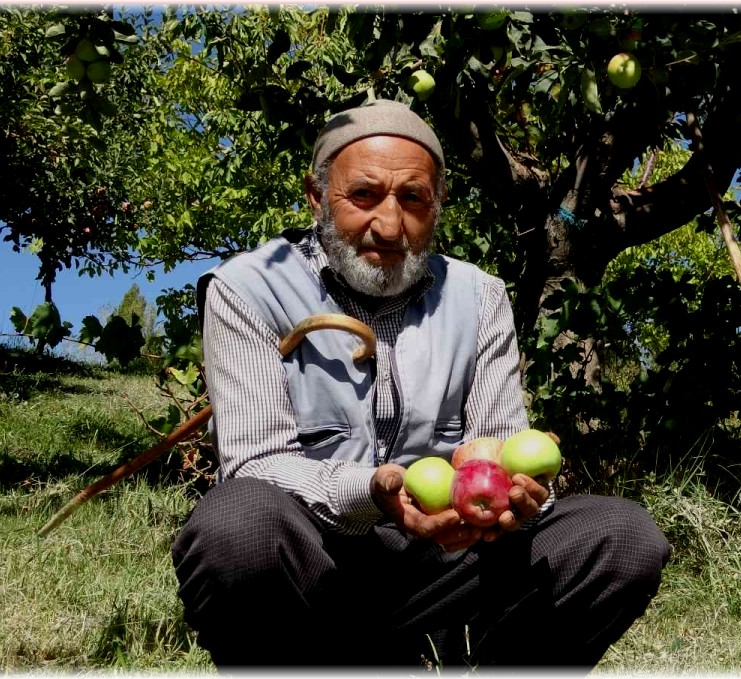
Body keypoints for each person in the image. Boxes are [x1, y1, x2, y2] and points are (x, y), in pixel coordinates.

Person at [171, 99, 671, 671]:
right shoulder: (249, 290)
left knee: (623, 539)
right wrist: (376, 493)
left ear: (437, 206)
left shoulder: (478, 298)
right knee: (236, 524)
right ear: (316, 198)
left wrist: (520, 497)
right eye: (363, 196)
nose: (389, 224)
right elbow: (258, 464)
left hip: (447, 562)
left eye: (413, 198)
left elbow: (498, 442)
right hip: (319, 566)